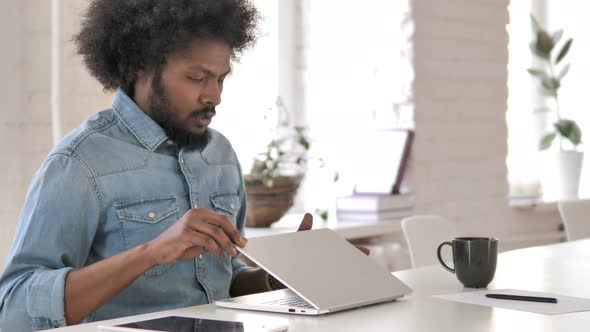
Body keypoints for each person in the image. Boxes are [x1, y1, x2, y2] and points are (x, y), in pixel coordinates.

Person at [0, 1, 321, 330]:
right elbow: (14, 308)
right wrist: (152, 252)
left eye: (221, 79)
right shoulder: (80, 164)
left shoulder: (219, 155)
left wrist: (276, 278)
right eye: (197, 78)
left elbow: (221, 278)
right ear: (142, 66)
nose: (214, 96)